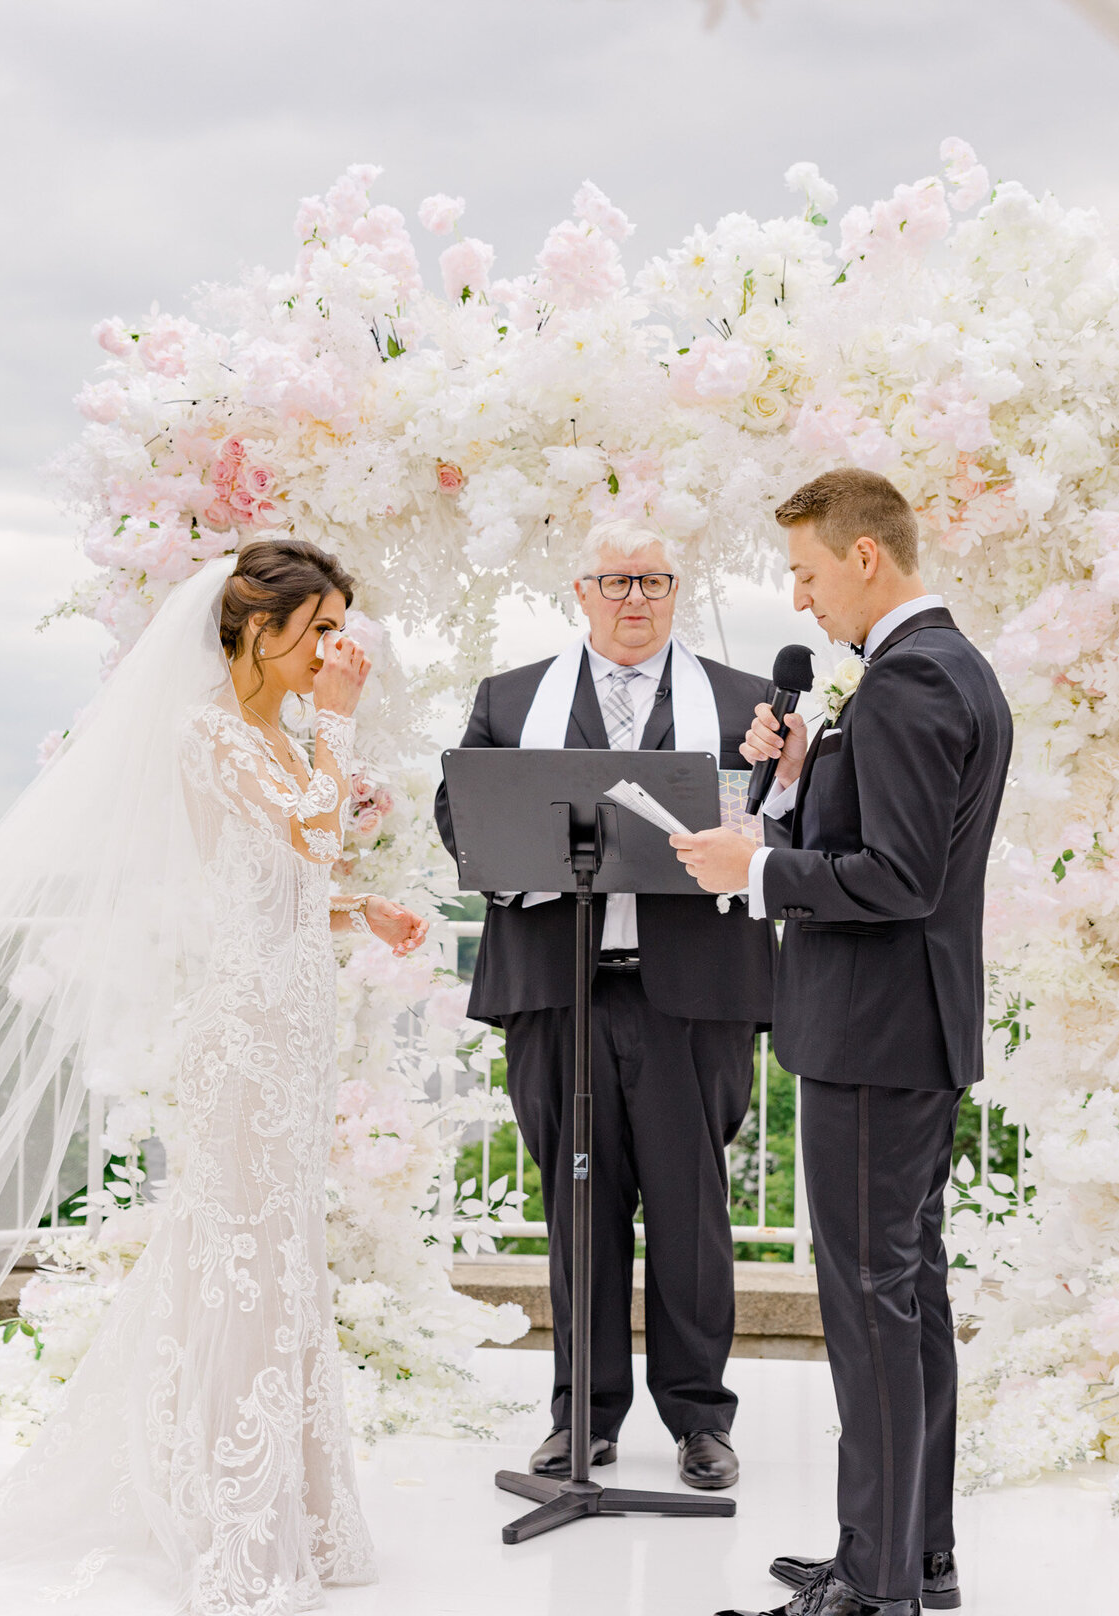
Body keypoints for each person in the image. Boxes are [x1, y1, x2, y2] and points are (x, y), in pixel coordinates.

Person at [0, 540, 428, 1614]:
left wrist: (368, 909)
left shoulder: (284, 732)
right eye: (320, 628)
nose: (336, 648)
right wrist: (347, 722)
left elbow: (289, 874)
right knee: (242, 1257)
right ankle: (234, 1512)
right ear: (257, 630)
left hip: (298, 1017)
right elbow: (309, 824)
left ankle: (296, 1504)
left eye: (341, 627)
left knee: (278, 1255)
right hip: (247, 1027)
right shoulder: (211, 731)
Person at [671, 470, 1012, 1616]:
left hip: (874, 1036)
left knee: (871, 1308)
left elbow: (900, 879)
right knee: (904, 1297)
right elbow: (890, 839)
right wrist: (802, 777)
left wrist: (755, 867)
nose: (802, 599)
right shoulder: (945, 668)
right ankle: (915, 1552)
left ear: (867, 557)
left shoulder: (913, 680)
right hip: (906, 1031)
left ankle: (875, 1586)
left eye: (808, 573)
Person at [435, 518, 778, 1490]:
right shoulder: (509, 700)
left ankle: (699, 1419)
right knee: (575, 1206)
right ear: (579, 592)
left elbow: (785, 814)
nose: (637, 598)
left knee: (691, 1210)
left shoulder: (746, 704)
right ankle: (578, 1418)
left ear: (676, 591)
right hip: (558, 988)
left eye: (656, 580)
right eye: (617, 580)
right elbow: (460, 811)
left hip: (692, 994)